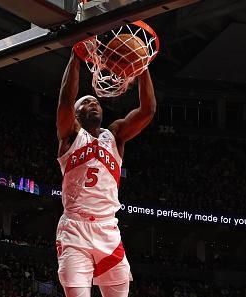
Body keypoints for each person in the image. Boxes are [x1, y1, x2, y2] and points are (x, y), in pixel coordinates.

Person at [56, 50, 156, 297]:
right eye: (86, 103)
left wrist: (142, 67)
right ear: (76, 116)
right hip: (74, 231)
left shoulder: (115, 136)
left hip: (108, 230)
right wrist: (76, 57)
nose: (93, 104)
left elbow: (148, 110)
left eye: (96, 102)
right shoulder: (70, 137)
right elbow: (66, 101)